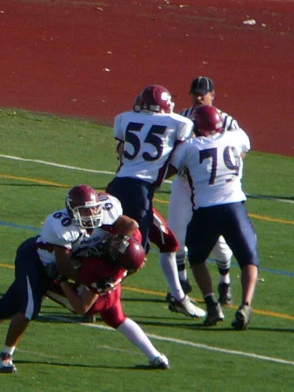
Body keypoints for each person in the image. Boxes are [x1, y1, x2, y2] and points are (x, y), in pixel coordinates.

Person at [0, 185, 140, 374]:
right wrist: (90, 282)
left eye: (93, 208)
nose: (91, 213)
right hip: (36, 261)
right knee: (29, 309)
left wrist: (120, 242)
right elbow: (64, 267)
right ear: (71, 210)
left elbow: (131, 225)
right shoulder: (61, 226)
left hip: (61, 265)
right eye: (84, 210)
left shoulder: (107, 211)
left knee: (8, 305)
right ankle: (5, 355)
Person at [105, 85, 204, 319]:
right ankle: (97, 289)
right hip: (138, 192)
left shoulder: (124, 118)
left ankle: (179, 298)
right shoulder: (180, 123)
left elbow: (121, 150)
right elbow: (178, 156)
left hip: (119, 186)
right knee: (133, 252)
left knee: (168, 243)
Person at [169, 105, 257, 330]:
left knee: (197, 260)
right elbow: (244, 146)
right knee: (248, 259)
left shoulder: (189, 146)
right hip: (234, 207)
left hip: (206, 210)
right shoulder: (236, 137)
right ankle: (245, 304)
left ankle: (211, 304)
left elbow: (171, 168)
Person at [45, 234, 169, 369]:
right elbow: (133, 228)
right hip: (112, 296)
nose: (113, 244)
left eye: (116, 248)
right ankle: (155, 356)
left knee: (42, 284)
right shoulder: (126, 260)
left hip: (90, 301)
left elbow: (81, 307)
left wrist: (62, 280)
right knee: (119, 319)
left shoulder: (100, 269)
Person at [168, 76, 240, 305]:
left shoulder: (227, 122)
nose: (198, 97)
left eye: (203, 93)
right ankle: (181, 282)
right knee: (175, 235)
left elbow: (240, 151)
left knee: (218, 241)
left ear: (212, 95)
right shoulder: (182, 118)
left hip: (211, 189)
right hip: (183, 184)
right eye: (195, 93)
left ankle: (225, 282)